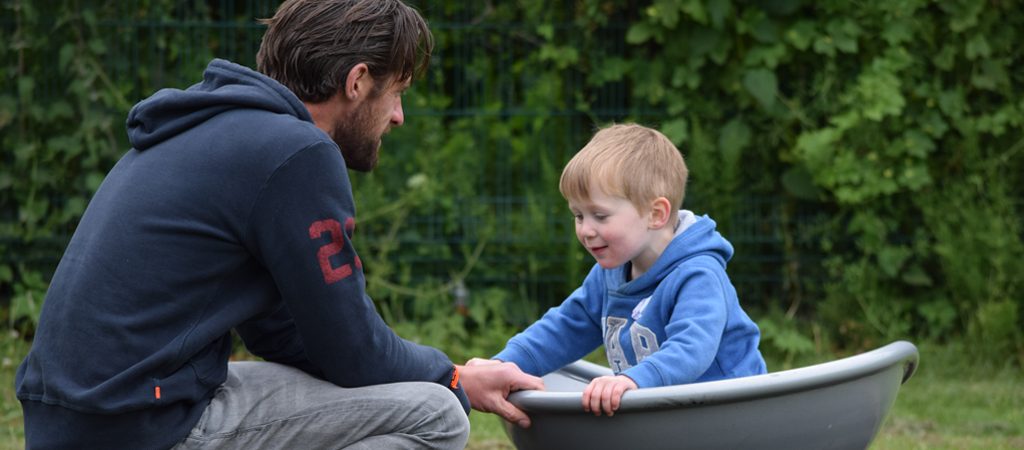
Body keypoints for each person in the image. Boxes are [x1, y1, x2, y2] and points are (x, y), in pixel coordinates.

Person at [15, 0, 542, 448]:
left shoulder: (214, 127)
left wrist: (434, 370)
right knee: (436, 413)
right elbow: (352, 349)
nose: (399, 116)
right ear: (358, 81)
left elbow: (279, 331)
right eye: (396, 91)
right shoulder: (297, 152)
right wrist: (451, 376)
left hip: (78, 416)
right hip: (137, 425)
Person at [475, 123, 767, 417]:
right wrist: (505, 364)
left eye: (600, 216)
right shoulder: (609, 274)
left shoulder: (697, 274)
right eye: (578, 215)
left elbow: (693, 347)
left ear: (656, 214)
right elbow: (566, 326)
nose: (586, 230)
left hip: (729, 413)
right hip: (667, 415)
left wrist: (635, 379)